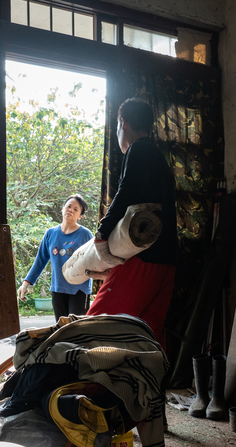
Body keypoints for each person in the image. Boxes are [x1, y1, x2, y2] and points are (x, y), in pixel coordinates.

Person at [86, 98, 178, 348]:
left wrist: (102, 232)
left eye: (118, 126)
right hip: (166, 262)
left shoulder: (138, 149)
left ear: (122, 123)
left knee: (95, 328)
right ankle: (145, 387)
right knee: (147, 338)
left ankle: (84, 387)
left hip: (143, 257)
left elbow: (125, 192)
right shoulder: (158, 156)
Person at [18, 195, 94, 321]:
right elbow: (40, 261)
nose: (71, 210)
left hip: (79, 290)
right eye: (69, 206)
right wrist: (26, 283)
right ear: (63, 208)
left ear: (80, 216)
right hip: (58, 289)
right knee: (61, 329)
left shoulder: (85, 235)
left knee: (75, 329)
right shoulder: (50, 233)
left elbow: (93, 261)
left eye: (76, 209)